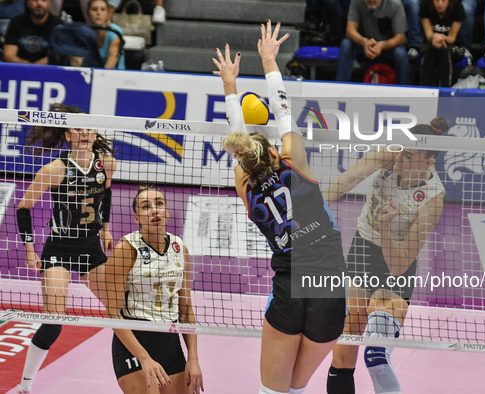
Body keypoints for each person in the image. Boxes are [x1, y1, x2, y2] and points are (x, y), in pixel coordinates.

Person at [213, 21, 346, 394]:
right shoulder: (294, 161)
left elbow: (238, 143)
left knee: (274, 390)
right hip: (330, 287)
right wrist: (269, 61)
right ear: (273, 151)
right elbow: (284, 110)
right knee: (299, 388)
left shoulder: (247, 187)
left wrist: (229, 87)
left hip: (290, 286)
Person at [324, 118, 448, 394]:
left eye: (410, 156)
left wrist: (385, 227)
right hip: (362, 252)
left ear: (429, 161)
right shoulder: (390, 155)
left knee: (376, 357)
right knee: (343, 355)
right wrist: (311, 208)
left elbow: (400, 264)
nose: (400, 160)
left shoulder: (432, 197)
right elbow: (343, 182)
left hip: (397, 264)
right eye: (401, 152)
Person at [15, 103, 117, 394]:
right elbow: (24, 208)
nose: (85, 133)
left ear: (94, 131)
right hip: (59, 249)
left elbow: (105, 193)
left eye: (88, 128)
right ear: (68, 135)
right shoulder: (53, 170)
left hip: (92, 248)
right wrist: (29, 249)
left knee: (121, 310)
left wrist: (107, 229)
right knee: (54, 321)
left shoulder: (106, 163)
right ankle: (25, 385)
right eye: (78, 129)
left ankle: (139, 366)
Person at [104, 187, 204, 393]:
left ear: (167, 211)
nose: (154, 211)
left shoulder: (180, 249)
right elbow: (112, 314)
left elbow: (185, 311)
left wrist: (193, 358)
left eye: (159, 204)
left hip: (170, 340)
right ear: (136, 218)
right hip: (135, 342)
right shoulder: (126, 249)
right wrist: (144, 358)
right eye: (146, 207)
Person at [335, 0, 410, 85]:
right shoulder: (356, 1)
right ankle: (341, 88)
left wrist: (382, 45)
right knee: (346, 44)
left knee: (400, 53)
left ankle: (403, 92)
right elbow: (350, 30)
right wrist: (365, 42)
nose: (370, 0)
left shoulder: (395, 3)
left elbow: (400, 37)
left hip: (388, 49)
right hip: (365, 47)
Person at [419, 0, 465, 87]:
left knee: (443, 50)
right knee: (431, 48)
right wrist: (435, 37)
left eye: (443, 0)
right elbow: (429, 35)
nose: (440, 3)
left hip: (454, 46)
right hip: (431, 44)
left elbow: (452, 38)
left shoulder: (457, 6)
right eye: (437, 0)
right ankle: (425, 88)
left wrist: (440, 38)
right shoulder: (426, 4)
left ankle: (445, 89)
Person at [87, 0, 125, 68]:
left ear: (107, 13)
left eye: (103, 9)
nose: (98, 13)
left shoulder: (115, 31)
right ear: (88, 13)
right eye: (94, 9)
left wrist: (101, 77)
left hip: (114, 75)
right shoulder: (85, 31)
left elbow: (112, 57)